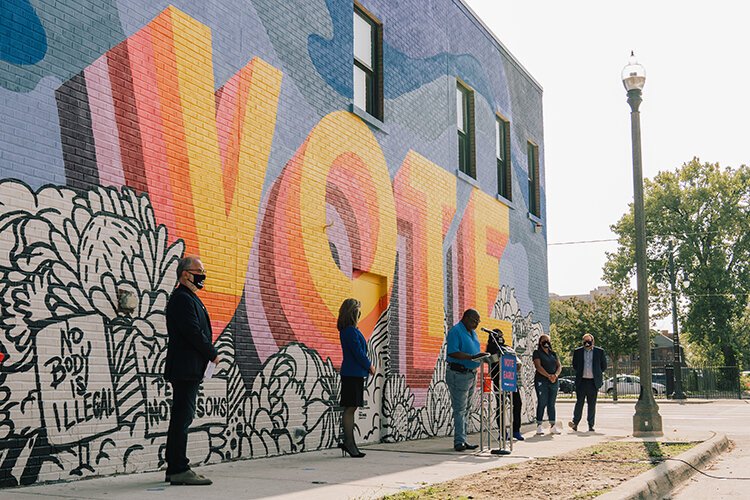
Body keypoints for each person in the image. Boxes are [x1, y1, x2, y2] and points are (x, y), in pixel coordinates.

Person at [164, 256, 219, 486]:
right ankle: (178, 468)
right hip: (185, 368)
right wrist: (212, 353)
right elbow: (194, 332)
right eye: (199, 271)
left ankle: (176, 467)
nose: (202, 275)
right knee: (182, 418)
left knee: (182, 417)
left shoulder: (189, 298)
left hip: (189, 368)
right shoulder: (182, 299)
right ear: (185, 274)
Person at [338, 298, 375, 458]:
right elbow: (358, 352)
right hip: (353, 374)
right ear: (353, 312)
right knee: (350, 408)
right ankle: (349, 444)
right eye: (358, 310)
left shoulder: (348, 330)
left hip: (352, 373)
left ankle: (350, 443)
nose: (360, 313)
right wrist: (369, 366)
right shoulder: (350, 331)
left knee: (351, 407)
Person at [446, 309, 485, 451]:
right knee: (460, 409)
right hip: (458, 374)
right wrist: (471, 357)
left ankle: (463, 438)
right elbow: (452, 351)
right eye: (475, 321)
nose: (476, 324)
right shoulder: (456, 331)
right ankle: (459, 442)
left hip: (471, 374)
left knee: (467, 409)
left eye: (478, 322)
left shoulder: (472, 333)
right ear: (467, 318)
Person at [486, 329, 524, 441]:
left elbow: (518, 362)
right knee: (501, 406)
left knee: (517, 403)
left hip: (510, 379)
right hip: (498, 380)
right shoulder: (490, 349)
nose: (500, 337)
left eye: (501, 334)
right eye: (497, 335)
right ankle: (502, 432)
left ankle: (516, 430)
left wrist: (517, 365)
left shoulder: (507, 348)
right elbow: (490, 361)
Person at [569, 334, 607, 432]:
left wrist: (596, 373)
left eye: (589, 341)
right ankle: (575, 423)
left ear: (592, 341)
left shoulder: (599, 352)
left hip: (593, 382)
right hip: (581, 382)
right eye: (585, 341)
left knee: (592, 404)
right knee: (579, 403)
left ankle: (591, 425)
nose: (587, 343)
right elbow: (575, 365)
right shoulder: (578, 352)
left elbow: (603, 366)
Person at [532, 334, 561, 435]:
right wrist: (548, 376)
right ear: (540, 342)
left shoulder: (553, 353)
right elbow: (538, 366)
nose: (546, 342)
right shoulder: (537, 353)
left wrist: (555, 375)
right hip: (542, 381)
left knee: (551, 404)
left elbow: (559, 366)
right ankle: (539, 425)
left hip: (554, 381)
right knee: (542, 402)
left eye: (547, 341)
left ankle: (552, 425)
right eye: (543, 340)